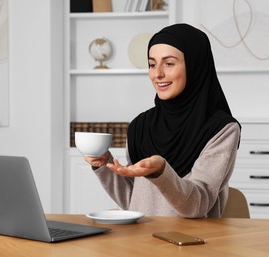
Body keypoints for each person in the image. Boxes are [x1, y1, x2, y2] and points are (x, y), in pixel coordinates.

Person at [83, 23, 241, 218]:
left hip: (192, 244)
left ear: (194, 65)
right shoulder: (140, 126)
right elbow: (133, 202)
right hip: (142, 243)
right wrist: (103, 164)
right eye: (152, 64)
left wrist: (161, 173)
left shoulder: (221, 129)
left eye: (169, 63)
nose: (157, 74)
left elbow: (197, 205)